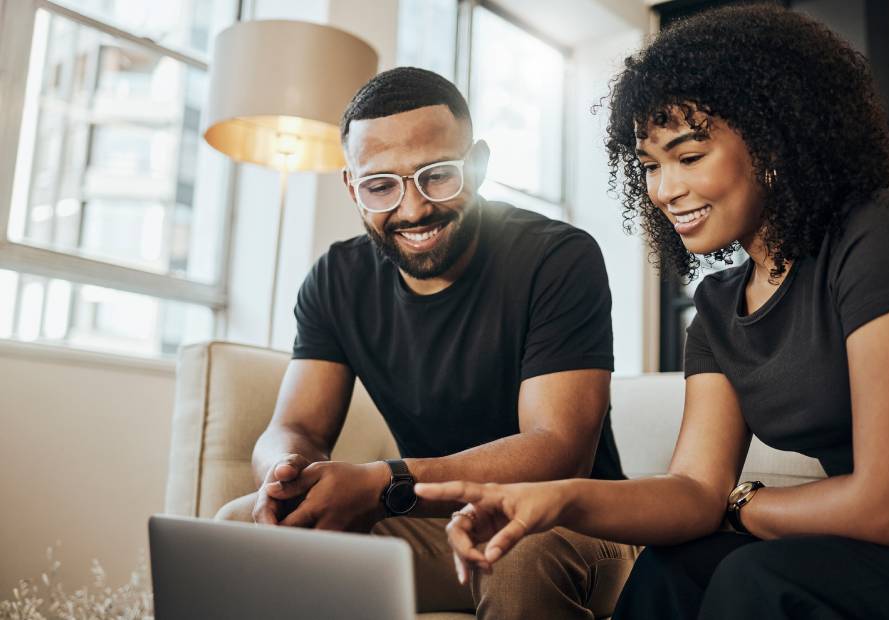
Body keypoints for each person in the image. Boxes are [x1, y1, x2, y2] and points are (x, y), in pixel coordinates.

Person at [415, 5, 889, 619]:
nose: (663, 191)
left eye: (689, 157)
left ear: (773, 143)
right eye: (650, 166)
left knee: (752, 577)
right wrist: (553, 498)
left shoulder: (879, 236)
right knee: (674, 568)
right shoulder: (718, 306)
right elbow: (692, 491)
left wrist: (739, 506)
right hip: (864, 545)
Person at [218, 66, 639, 619]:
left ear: (479, 164)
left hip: (570, 521)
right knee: (235, 527)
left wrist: (385, 482)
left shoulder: (557, 258)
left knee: (517, 556)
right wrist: (285, 476)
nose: (413, 208)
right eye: (380, 185)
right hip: (434, 527)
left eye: (437, 176)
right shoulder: (336, 278)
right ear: (352, 187)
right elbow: (295, 426)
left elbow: (558, 448)